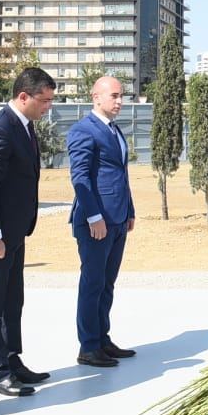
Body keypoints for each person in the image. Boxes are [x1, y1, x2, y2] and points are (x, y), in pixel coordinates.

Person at [0, 67, 57, 396]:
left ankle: (11, 360)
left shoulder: (23, 126)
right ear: (23, 96)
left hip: (15, 232)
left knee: (12, 300)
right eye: (44, 100)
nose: (48, 106)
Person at [68, 75, 137, 368]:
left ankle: (103, 339)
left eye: (122, 96)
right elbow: (80, 178)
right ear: (96, 97)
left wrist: (129, 210)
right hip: (96, 221)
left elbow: (120, 174)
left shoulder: (114, 129)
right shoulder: (84, 130)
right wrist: (94, 216)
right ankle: (89, 346)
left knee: (107, 283)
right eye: (114, 96)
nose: (120, 101)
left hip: (118, 218)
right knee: (93, 283)